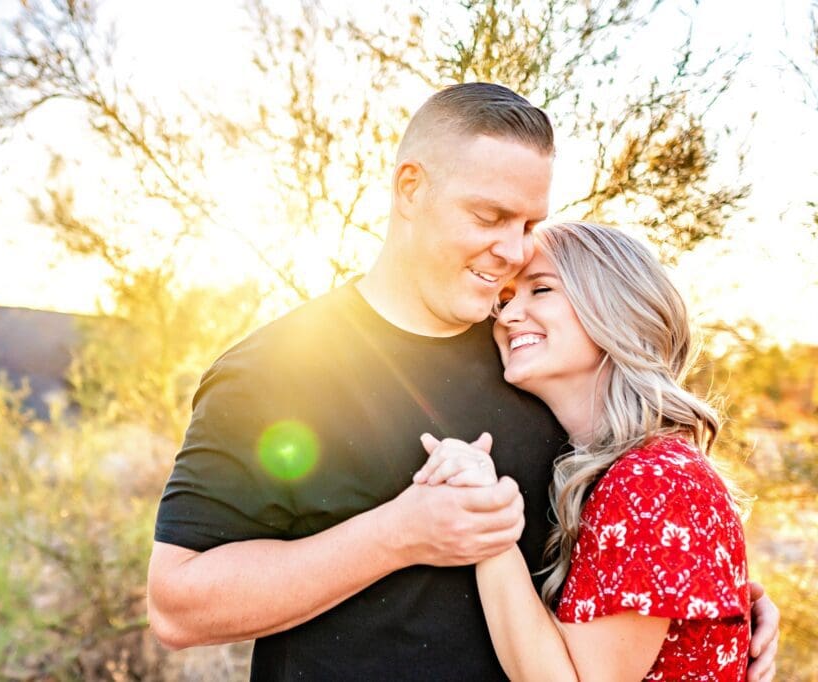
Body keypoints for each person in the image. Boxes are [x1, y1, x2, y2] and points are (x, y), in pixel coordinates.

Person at [147, 83, 779, 680]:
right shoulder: (275, 371)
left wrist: (708, 614)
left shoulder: (533, 358)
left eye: (528, 225)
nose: (511, 250)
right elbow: (177, 603)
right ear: (411, 189)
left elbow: (629, 537)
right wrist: (399, 534)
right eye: (489, 215)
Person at [414, 221, 755, 679]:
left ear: (616, 308)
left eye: (541, 289)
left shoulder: (655, 481)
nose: (509, 315)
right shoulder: (622, 471)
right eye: (509, 297)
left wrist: (485, 516)